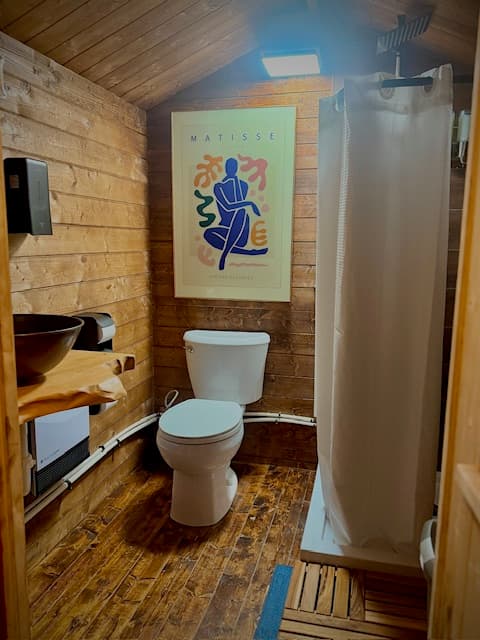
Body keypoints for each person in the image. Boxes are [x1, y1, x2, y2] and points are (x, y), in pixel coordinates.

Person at [204, 157, 268, 270]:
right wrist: (250, 203)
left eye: (234, 167)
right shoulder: (218, 186)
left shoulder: (243, 185)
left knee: (241, 211)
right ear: (225, 168)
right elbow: (228, 207)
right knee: (207, 234)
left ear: (237, 168)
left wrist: (236, 182)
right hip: (226, 229)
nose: (231, 170)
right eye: (229, 167)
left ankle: (224, 255)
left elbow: (239, 205)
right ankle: (250, 253)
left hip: (241, 231)